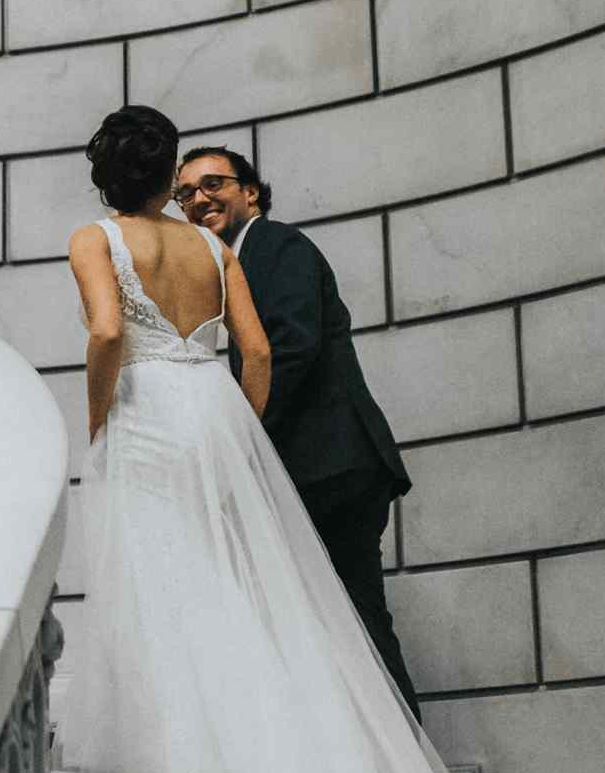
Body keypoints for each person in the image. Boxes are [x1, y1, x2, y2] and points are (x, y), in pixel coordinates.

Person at [61, 104, 605, 773]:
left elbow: (107, 327)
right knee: (242, 612)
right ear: (165, 172)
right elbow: (260, 354)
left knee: (165, 601)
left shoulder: (95, 237)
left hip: (152, 417)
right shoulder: (210, 243)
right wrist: (232, 433)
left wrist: (98, 409)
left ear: (101, 174)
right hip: (213, 418)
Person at [172, 146, 421, 717]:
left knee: (357, 620)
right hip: (311, 467)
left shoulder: (276, 246)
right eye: (186, 193)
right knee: (334, 624)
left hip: (330, 465)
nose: (199, 199)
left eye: (214, 184)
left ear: (251, 192)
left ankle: (410, 771)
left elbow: (289, 349)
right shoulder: (234, 263)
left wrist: (238, 441)